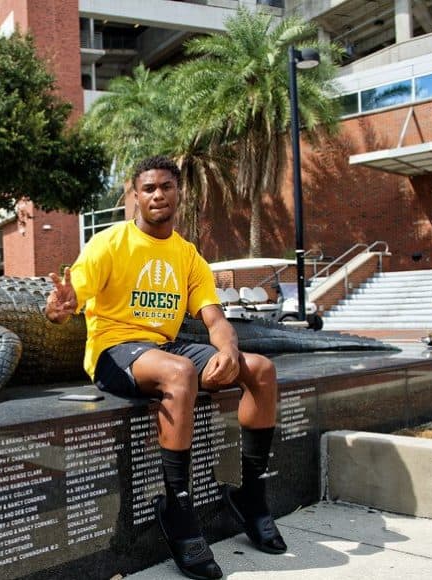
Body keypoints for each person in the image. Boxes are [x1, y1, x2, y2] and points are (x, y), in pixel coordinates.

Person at [45, 155, 285, 580]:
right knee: (181, 372)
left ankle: (251, 494)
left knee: (261, 368)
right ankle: (177, 505)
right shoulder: (109, 243)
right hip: (114, 351)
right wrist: (62, 307)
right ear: (135, 197)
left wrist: (228, 353)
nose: (158, 195)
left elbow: (215, 319)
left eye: (166, 187)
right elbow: (70, 299)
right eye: (149, 189)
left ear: (178, 192)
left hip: (165, 347)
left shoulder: (187, 255)